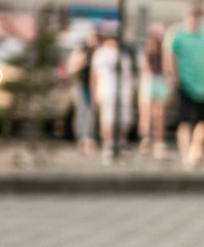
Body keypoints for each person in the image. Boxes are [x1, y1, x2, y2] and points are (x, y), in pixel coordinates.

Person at [166, 4, 204, 168]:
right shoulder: (178, 35)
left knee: (201, 123)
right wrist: (173, 76)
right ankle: (186, 156)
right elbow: (169, 55)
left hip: (202, 85)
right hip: (186, 84)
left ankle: (195, 150)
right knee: (185, 122)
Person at [90, 28, 133, 161]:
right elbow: (94, 75)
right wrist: (95, 92)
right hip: (107, 90)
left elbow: (128, 74)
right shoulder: (100, 53)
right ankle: (108, 146)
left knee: (123, 120)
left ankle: (121, 144)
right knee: (107, 119)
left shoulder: (123, 54)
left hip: (123, 91)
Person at [137, 25, 169, 157]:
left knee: (159, 114)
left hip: (159, 81)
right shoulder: (145, 52)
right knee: (147, 113)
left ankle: (158, 141)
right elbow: (144, 69)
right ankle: (146, 139)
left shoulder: (163, 52)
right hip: (149, 81)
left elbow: (167, 67)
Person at [67, 29, 100, 154]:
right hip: (82, 85)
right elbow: (71, 69)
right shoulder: (81, 51)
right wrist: (81, 62)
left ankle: (89, 137)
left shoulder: (97, 52)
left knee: (91, 113)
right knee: (82, 111)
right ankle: (82, 137)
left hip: (93, 86)